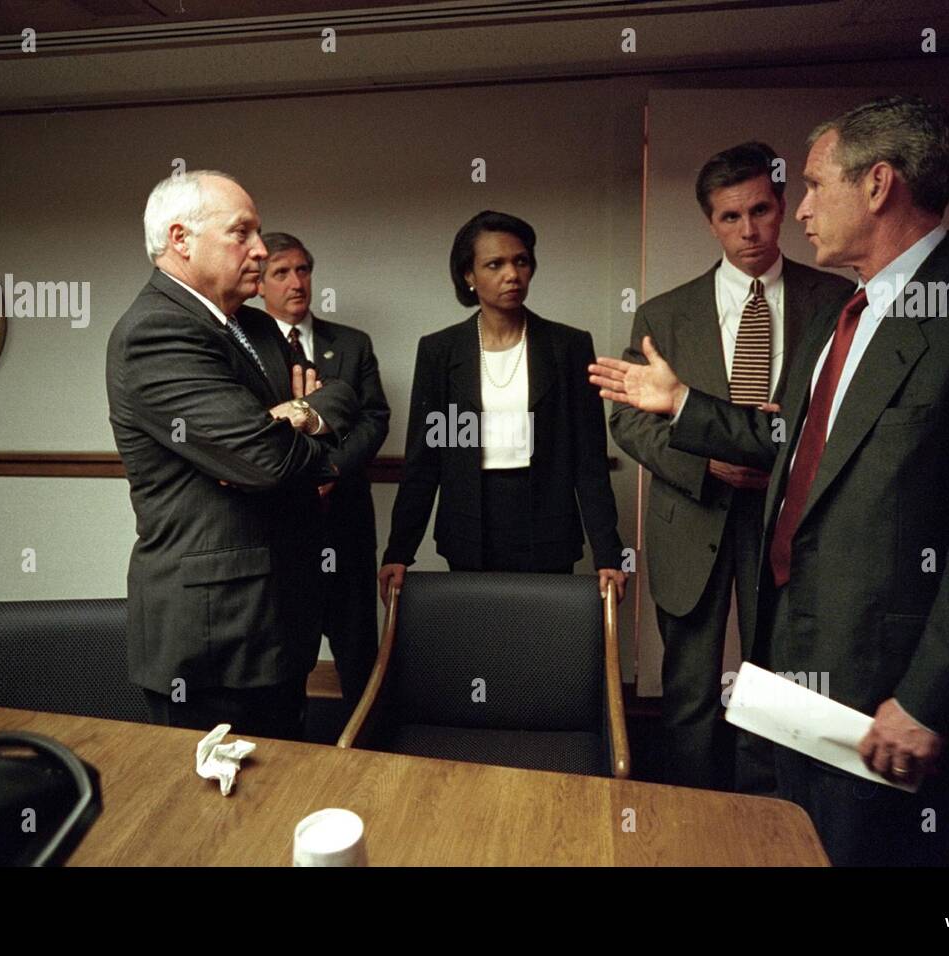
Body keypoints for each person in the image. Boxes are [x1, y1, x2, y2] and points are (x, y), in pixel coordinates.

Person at [590, 96, 949, 865]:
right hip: (799, 653)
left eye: (814, 186)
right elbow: (796, 439)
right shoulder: (846, 316)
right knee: (805, 842)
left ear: (878, 184)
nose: (796, 214)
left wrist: (928, 700)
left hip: (893, 683)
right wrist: (683, 403)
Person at [611, 141, 853, 793]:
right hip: (692, 520)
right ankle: (691, 823)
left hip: (790, 526)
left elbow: (852, 422)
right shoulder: (663, 312)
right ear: (709, 222)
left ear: (782, 207)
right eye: (730, 217)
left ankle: (766, 826)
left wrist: (779, 463)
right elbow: (629, 419)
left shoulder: (837, 302)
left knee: (773, 694)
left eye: (761, 210)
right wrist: (706, 466)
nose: (749, 231)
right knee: (689, 694)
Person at [106, 170, 357, 741]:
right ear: (180, 238)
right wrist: (286, 438)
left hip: (280, 620)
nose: (262, 250)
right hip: (213, 639)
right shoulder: (155, 331)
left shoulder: (258, 326)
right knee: (208, 817)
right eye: (241, 232)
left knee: (278, 805)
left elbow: (339, 395)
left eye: (259, 233)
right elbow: (265, 460)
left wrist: (300, 416)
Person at [380, 210, 627, 601]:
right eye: (494, 264)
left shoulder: (569, 346)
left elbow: (589, 461)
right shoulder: (440, 350)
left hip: (547, 519)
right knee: (478, 645)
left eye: (521, 261)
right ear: (469, 276)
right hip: (470, 523)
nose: (512, 274)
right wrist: (399, 552)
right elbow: (424, 461)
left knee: (545, 644)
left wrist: (608, 554)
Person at [236, 233, 390, 705]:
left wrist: (329, 472)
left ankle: (369, 758)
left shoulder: (352, 344)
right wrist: (302, 475)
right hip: (278, 530)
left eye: (303, 270)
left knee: (359, 654)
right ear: (260, 285)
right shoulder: (243, 350)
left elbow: (374, 419)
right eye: (281, 273)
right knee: (282, 659)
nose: (297, 282)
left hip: (345, 523)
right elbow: (250, 433)